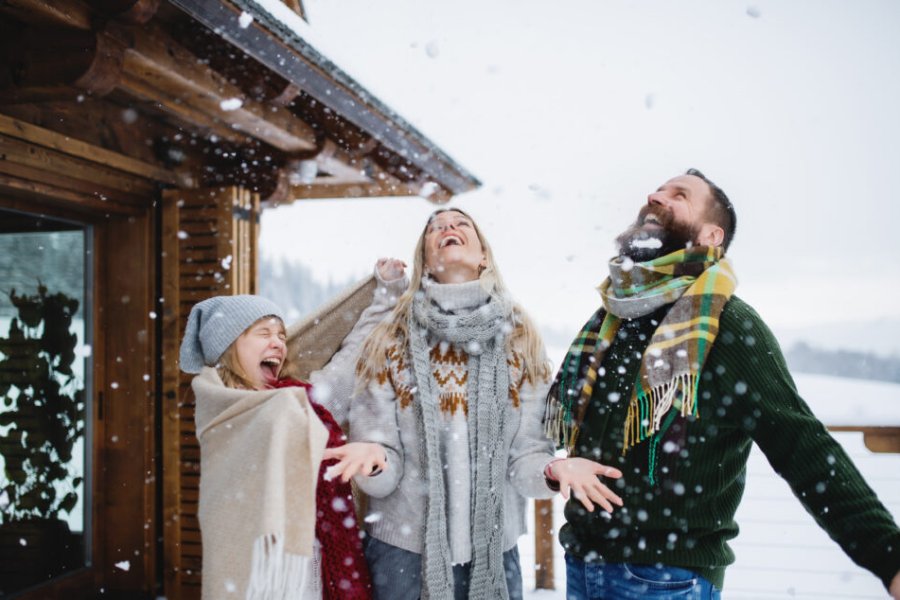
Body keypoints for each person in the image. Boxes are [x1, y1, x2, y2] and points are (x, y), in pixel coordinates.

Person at [544, 169, 900, 599]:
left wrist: (889, 557)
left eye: (679, 195)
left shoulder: (726, 325)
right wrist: (559, 466)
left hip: (666, 580)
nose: (656, 196)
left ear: (712, 236)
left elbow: (802, 444)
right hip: (582, 565)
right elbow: (582, 435)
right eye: (658, 189)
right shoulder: (613, 317)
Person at [344, 209, 624, 600]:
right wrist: (373, 457)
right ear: (425, 258)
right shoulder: (390, 338)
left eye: (461, 224)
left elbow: (525, 457)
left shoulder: (520, 338)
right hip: (402, 554)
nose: (448, 228)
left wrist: (553, 468)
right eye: (435, 228)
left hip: (494, 552)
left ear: (484, 257)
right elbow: (383, 468)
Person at [179, 259, 407, 600]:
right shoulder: (221, 410)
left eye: (282, 335)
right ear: (228, 346)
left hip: (319, 555)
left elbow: (351, 358)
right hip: (261, 572)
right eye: (264, 333)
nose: (278, 343)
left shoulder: (300, 400)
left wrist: (387, 293)